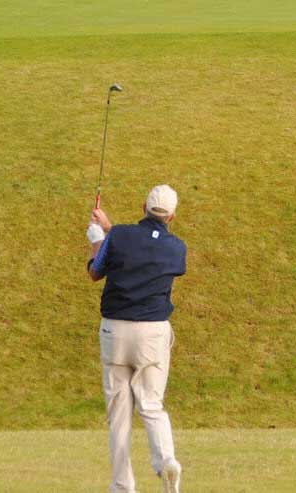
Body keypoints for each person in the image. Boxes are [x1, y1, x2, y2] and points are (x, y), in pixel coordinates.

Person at [87, 184, 187, 493]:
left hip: (115, 330)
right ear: (172, 215)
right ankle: (165, 461)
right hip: (153, 334)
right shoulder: (176, 248)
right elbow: (146, 244)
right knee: (151, 405)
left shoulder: (119, 237)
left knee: (118, 414)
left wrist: (97, 238)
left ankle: (122, 486)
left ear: (143, 205)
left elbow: (95, 271)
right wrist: (108, 230)